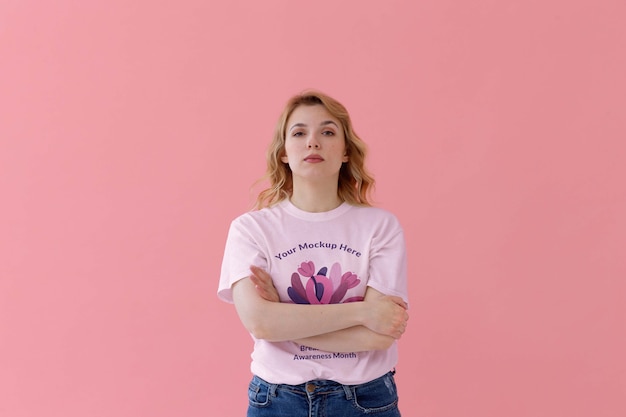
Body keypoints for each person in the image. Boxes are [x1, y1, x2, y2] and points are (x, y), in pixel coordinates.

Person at [218, 90, 409, 417]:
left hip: (365, 401)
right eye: (299, 132)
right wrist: (364, 312)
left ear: (346, 151)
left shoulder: (380, 226)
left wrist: (284, 315)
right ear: (283, 153)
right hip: (276, 401)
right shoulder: (250, 229)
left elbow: (379, 337)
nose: (313, 142)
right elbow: (261, 324)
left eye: (328, 132)